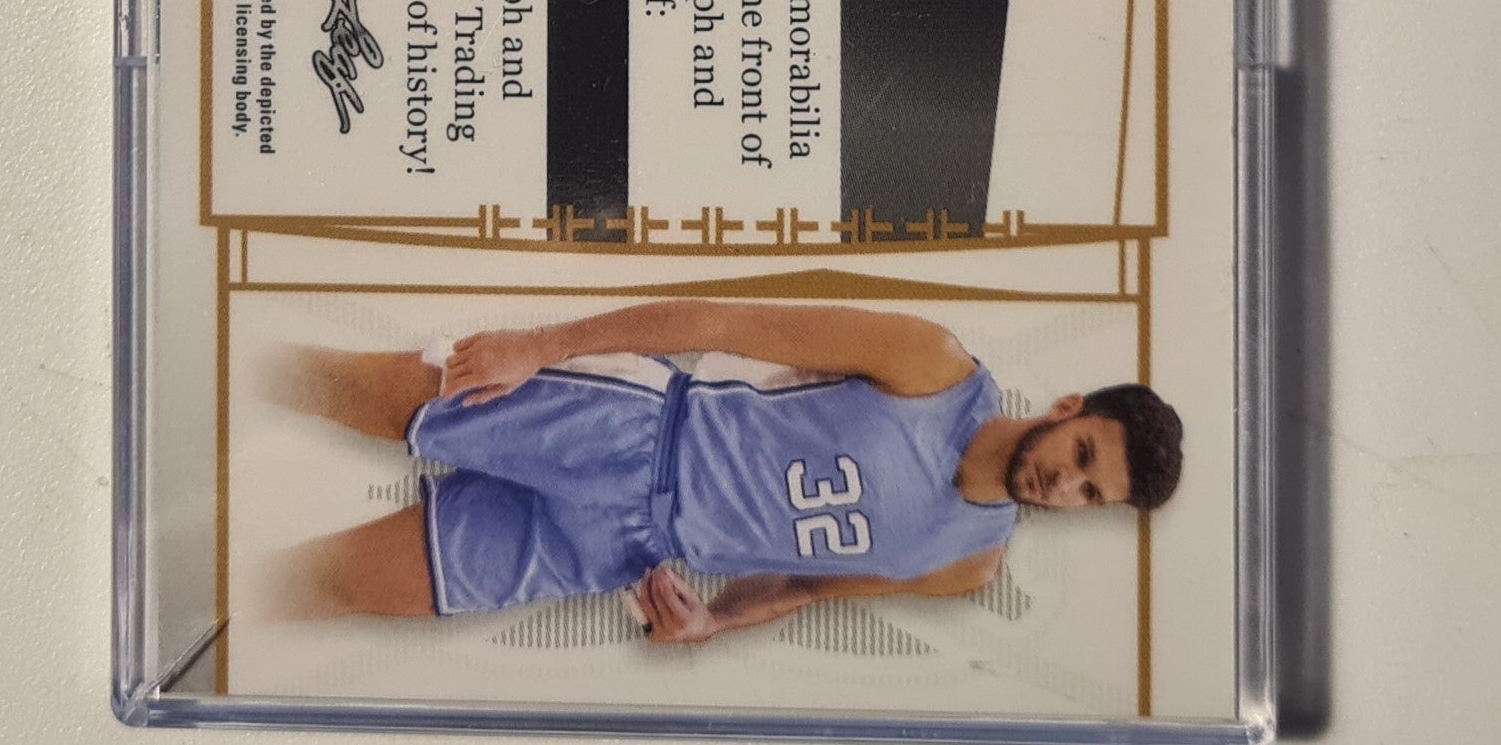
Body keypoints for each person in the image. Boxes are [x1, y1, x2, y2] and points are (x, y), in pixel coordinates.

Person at [264, 299, 1182, 642]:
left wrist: (714, 621)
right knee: (326, 384)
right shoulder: (929, 362)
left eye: (1089, 493)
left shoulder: (966, 561)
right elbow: (718, 321)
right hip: (625, 427)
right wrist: (540, 343)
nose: (1064, 485)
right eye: (1082, 455)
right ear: (1068, 406)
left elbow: (801, 587)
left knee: (331, 585)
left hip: (621, 546)